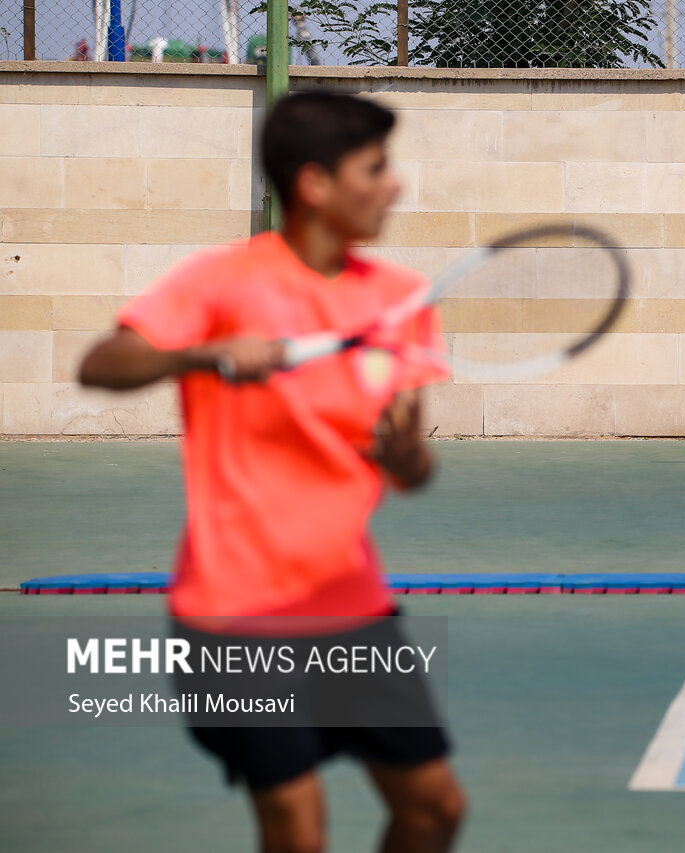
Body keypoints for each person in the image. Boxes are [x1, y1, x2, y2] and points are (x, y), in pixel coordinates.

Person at [78, 92, 466, 853]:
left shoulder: (398, 301)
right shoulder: (223, 282)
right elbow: (101, 363)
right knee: (297, 828)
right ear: (316, 184)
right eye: (377, 168)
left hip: (352, 607)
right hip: (235, 615)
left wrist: (405, 457)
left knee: (435, 808)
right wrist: (202, 354)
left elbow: (412, 469)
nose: (397, 186)